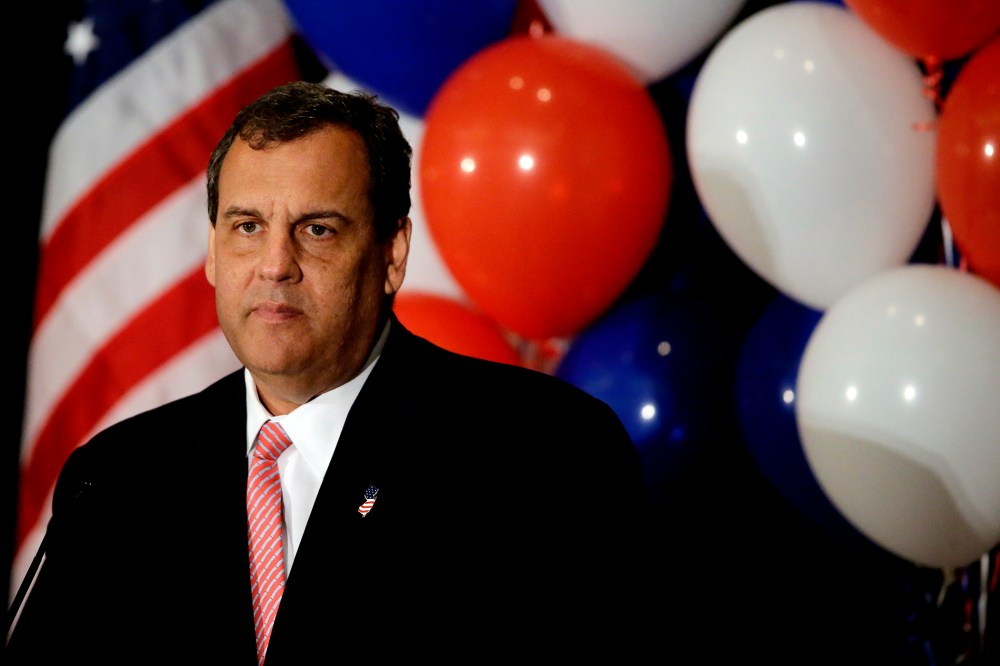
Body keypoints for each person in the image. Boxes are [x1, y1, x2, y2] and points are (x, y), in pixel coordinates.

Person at [6, 81, 655, 663]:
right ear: (211, 252)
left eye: (316, 229)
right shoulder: (117, 479)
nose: (275, 264)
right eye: (247, 226)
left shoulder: (544, 451)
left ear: (391, 254)